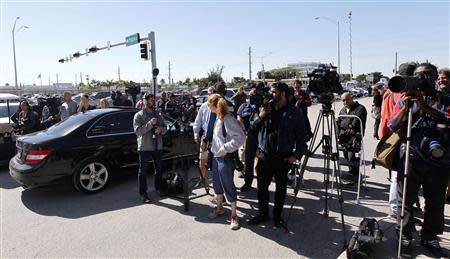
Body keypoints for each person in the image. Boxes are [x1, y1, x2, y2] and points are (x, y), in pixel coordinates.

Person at [389, 63, 449, 257]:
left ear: (433, 78)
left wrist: (426, 107)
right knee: (405, 200)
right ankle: (405, 237)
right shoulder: (405, 99)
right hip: (411, 158)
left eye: (426, 76)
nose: (422, 80)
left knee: (435, 201)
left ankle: (429, 236)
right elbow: (392, 125)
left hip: (439, 160)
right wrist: (406, 108)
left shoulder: (445, 99)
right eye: (418, 76)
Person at [248, 82, 307, 227]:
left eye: (274, 92)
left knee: (280, 188)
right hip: (265, 155)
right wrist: (261, 116)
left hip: (283, 157)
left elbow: (302, 136)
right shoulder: (266, 108)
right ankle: (263, 214)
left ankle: (277, 216)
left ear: (283, 94)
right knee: (262, 187)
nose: (271, 95)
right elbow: (252, 129)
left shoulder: (294, 112)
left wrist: (296, 155)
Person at [207, 94, 245, 230]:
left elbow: (240, 137)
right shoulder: (218, 118)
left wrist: (225, 148)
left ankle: (234, 215)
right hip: (217, 158)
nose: (207, 105)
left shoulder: (227, 119)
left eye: (208, 103)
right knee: (217, 185)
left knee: (228, 185)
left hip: (225, 158)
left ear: (214, 105)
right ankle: (219, 208)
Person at [133, 93, 168, 203]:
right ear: (144, 101)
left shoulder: (158, 114)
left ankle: (158, 188)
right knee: (143, 171)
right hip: (145, 147)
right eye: (150, 100)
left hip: (157, 146)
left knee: (159, 169)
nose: (153, 101)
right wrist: (150, 124)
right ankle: (143, 193)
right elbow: (138, 131)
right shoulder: (138, 115)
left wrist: (160, 130)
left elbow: (165, 128)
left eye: (153, 99)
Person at [337, 92, 367, 180]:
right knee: (346, 157)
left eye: (347, 99)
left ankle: (355, 176)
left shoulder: (360, 108)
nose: (345, 102)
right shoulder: (343, 110)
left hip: (354, 137)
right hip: (344, 137)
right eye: (343, 100)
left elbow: (355, 122)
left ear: (352, 98)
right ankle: (351, 174)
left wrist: (350, 127)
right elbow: (339, 121)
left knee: (351, 158)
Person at [237, 88, 259, 192]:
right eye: (250, 95)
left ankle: (262, 184)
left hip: (261, 137)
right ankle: (248, 183)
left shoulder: (261, 105)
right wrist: (244, 131)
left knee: (261, 162)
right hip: (249, 136)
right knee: (248, 161)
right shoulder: (243, 106)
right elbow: (239, 118)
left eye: (254, 95)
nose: (252, 97)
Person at [438, 68, 450, 204]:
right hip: (437, 142)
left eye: (444, 78)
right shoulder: (434, 96)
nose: (441, 80)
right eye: (439, 78)